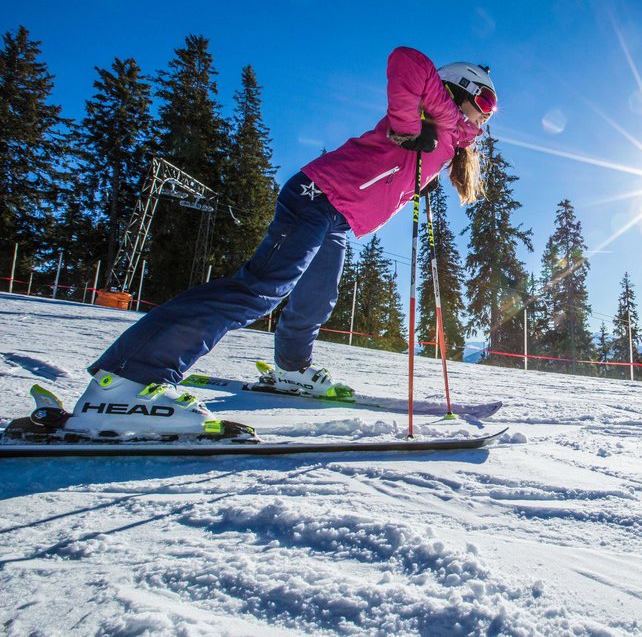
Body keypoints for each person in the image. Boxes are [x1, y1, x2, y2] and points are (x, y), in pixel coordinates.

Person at [60, 47, 497, 440]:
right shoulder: (434, 111)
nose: (487, 115)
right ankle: (125, 382)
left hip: (339, 218)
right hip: (318, 197)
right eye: (485, 102)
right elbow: (406, 59)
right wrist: (407, 126)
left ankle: (291, 370)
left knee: (315, 299)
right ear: (459, 89)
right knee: (259, 290)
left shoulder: (452, 139)